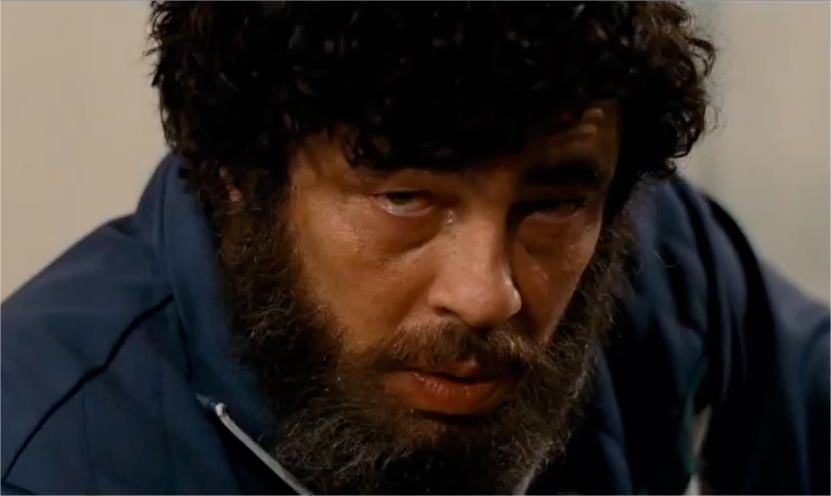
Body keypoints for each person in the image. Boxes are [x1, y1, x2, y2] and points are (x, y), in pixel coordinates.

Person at [2, 2, 828, 494]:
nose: (486, 294)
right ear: (238, 176)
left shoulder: (664, 264)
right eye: (405, 197)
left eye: (550, 205)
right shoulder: (42, 457)